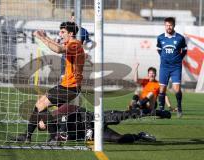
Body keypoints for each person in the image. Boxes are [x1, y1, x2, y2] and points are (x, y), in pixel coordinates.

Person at [12, 21, 85, 142]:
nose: (60, 34)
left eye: (63, 32)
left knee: (41, 105)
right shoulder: (70, 43)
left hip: (71, 87)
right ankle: (29, 136)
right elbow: (57, 44)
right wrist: (45, 36)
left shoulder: (75, 44)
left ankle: (52, 136)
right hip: (66, 86)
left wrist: (41, 37)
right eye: (60, 31)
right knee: (40, 104)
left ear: (71, 33)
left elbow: (57, 49)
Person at [23, 104, 157, 144]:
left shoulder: (60, 111)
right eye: (40, 126)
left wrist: (87, 128)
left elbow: (82, 111)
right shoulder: (57, 133)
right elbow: (72, 137)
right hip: (96, 133)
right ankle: (140, 135)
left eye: (40, 121)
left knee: (126, 115)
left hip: (97, 118)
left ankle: (155, 112)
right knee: (120, 139)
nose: (41, 124)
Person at [156, 17, 187, 118]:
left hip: (176, 67)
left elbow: (185, 50)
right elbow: (159, 49)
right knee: (162, 89)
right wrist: (164, 58)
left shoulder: (180, 38)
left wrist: (178, 59)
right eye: (167, 25)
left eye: (170, 25)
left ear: (174, 25)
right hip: (164, 67)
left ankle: (179, 107)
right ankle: (161, 110)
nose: (168, 27)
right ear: (165, 26)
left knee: (176, 89)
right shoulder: (160, 38)